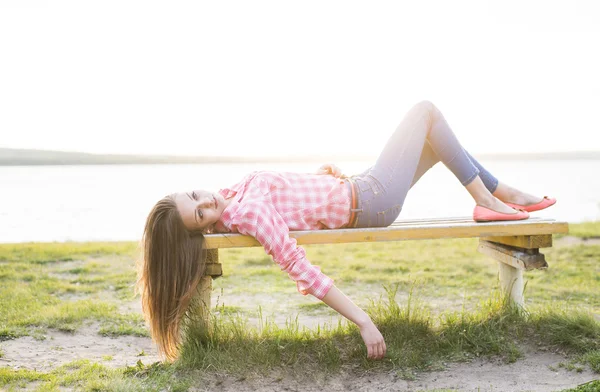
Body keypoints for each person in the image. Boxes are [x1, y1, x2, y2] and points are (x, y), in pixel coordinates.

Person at [136, 101, 556, 362]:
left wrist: (323, 180)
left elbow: (289, 199)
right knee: (425, 111)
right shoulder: (248, 216)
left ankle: (497, 195)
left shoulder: (231, 196)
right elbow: (302, 270)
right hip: (370, 199)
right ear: (202, 229)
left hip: (360, 188)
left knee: (436, 139)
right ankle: (493, 197)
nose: (209, 204)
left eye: (197, 195)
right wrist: (363, 321)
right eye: (201, 215)